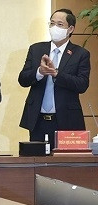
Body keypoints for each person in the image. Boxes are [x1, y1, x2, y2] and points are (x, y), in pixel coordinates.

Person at [18, 8, 90, 144]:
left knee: (64, 157)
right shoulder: (36, 49)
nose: (54, 27)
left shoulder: (80, 53)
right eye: (52, 23)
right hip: (38, 120)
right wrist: (39, 72)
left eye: (60, 24)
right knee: (37, 156)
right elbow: (23, 79)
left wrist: (56, 74)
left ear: (70, 29)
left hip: (67, 120)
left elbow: (82, 84)